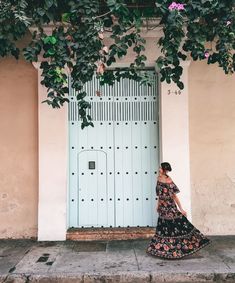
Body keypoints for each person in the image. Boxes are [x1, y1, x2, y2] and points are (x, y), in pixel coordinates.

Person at [146, 162, 211, 259]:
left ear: (164, 170)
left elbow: (174, 196)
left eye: (160, 168)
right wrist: (157, 205)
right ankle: (162, 249)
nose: (159, 169)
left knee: (176, 227)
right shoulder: (158, 179)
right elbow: (160, 195)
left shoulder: (169, 181)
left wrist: (181, 209)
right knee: (162, 228)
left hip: (170, 207)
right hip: (162, 208)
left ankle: (180, 248)